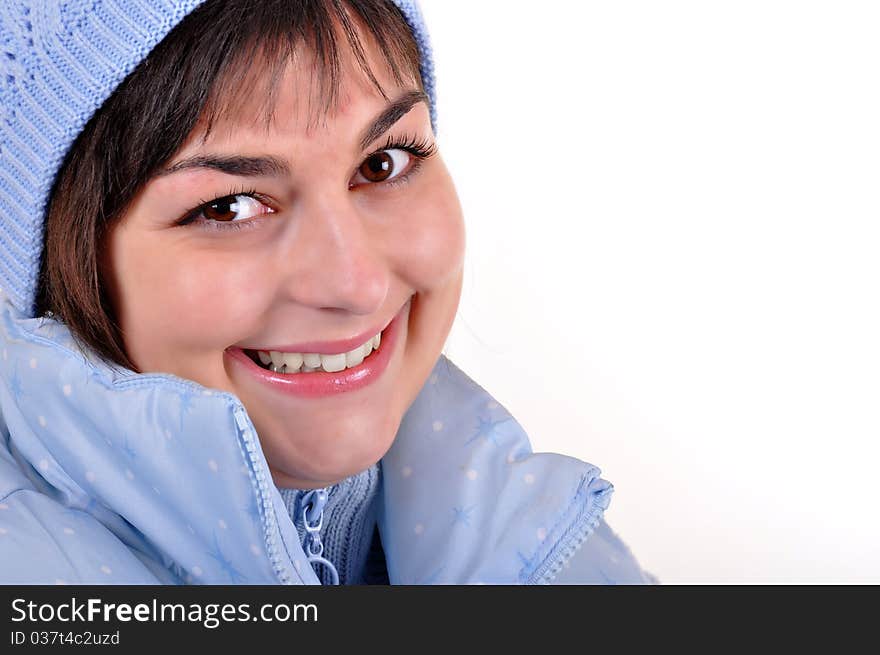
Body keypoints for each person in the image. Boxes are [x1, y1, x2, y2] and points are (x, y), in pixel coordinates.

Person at [0, 0, 656, 584]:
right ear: (61, 263)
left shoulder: (540, 539)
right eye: (228, 206)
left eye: (384, 163)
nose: (357, 283)